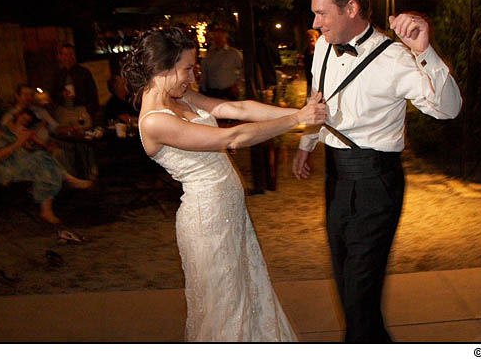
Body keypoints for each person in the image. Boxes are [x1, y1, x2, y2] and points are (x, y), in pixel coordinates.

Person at [121, 27, 327, 342]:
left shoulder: (181, 95)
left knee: (247, 294)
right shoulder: (153, 121)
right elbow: (232, 137)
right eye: (187, 68)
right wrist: (297, 121)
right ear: (162, 67)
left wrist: (301, 112)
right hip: (206, 221)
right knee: (224, 309)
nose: (193, 76)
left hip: (229, 213)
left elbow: (238, 109)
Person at [292, 0, 462, 342]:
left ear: (351, 8)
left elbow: (448, 109)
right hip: (335, 177)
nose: (315, 22)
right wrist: (307, 143)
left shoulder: (396, 58)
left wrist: (425, 52)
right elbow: (317, 99)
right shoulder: (322, 45)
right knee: (347, 285)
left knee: (359, 291)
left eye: (322, 13)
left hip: (375, 181)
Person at [0, 103, 93, 224]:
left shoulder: (3, 130)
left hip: (21, 162)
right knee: (41, 158)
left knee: (43, 159)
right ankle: (67, 181)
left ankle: (47, 209)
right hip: (3, 169)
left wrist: (31, 142)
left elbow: (22, 147)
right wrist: (19, 142)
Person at [52, 43, 100, 119]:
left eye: (71, 54)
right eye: (65, 54)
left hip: (81, 110)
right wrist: (62, 94)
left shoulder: (84, 72)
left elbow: (92, 93)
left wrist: (89, 111)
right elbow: (53, 94)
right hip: (64, 111)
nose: (68, 57)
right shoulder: (58, 75)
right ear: (60, 57)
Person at [200, 26, 243, 101]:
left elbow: (242, 70)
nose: (217, 39)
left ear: (225, 37)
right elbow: (204, 71)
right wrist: (203, 87)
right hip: (211, 91)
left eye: (220, 36)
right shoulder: (210, 53)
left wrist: (237, 85)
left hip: (227, 90)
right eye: (216, 37)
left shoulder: (233, 53)